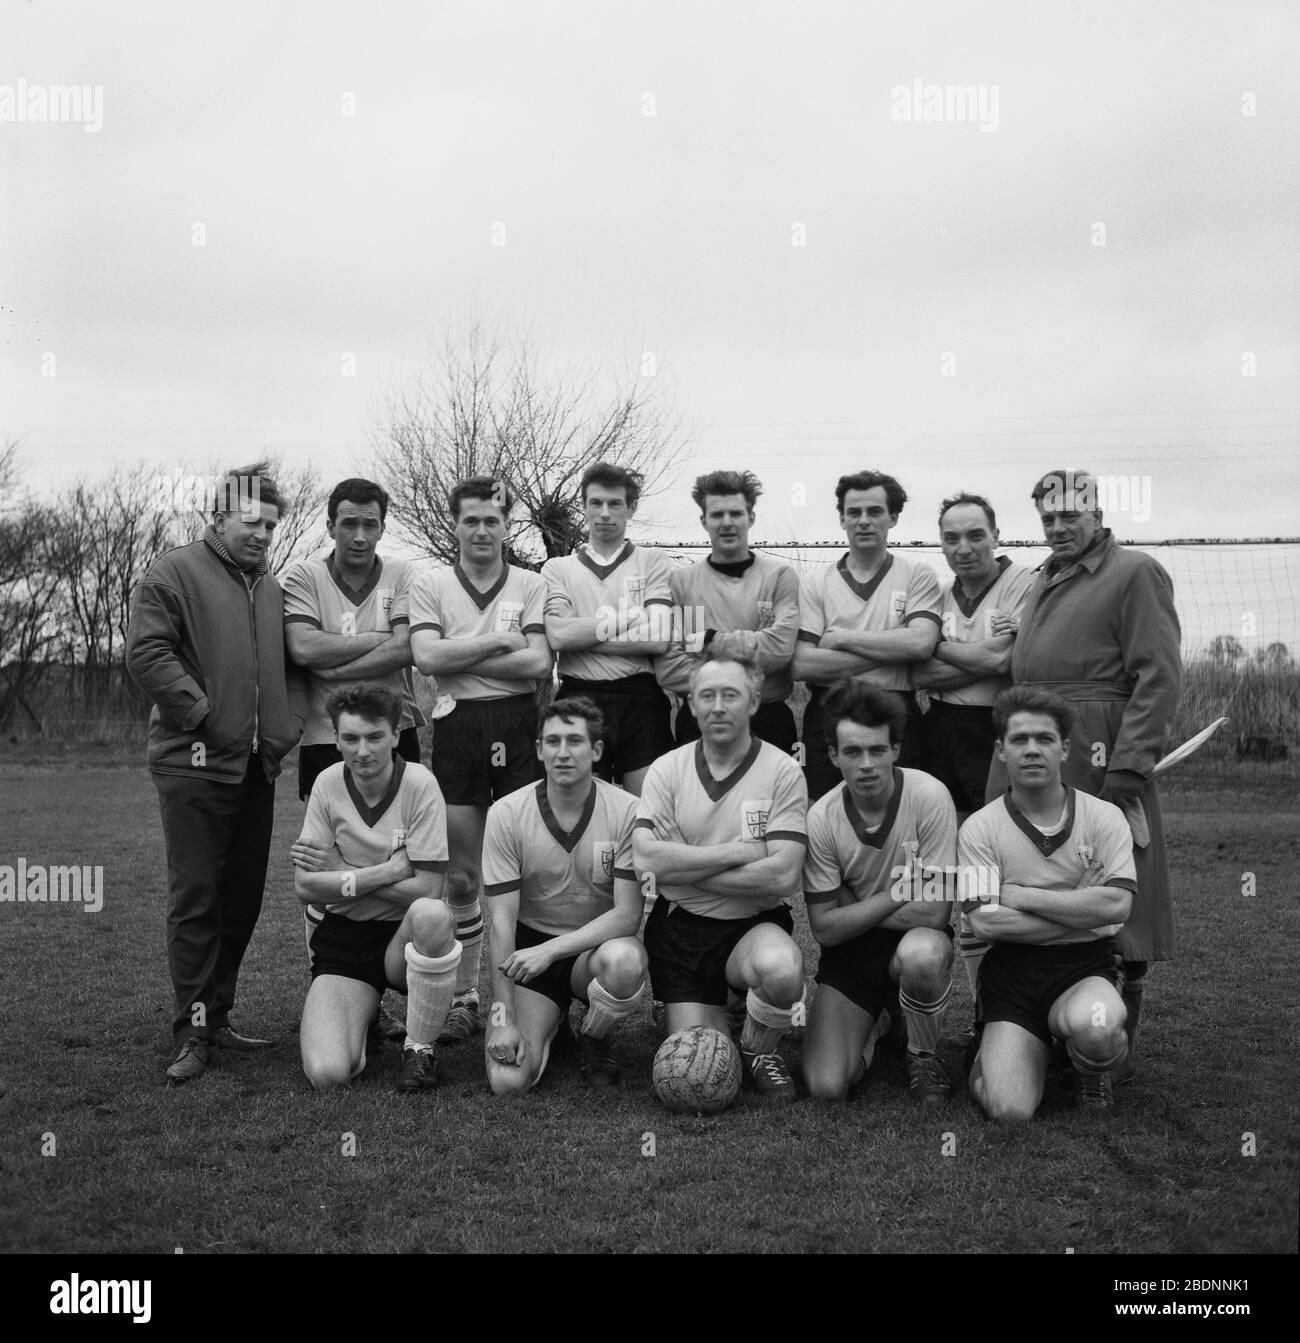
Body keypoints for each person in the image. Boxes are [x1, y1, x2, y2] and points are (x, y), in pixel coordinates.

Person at [988, 469, 1181, 1082]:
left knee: (1117, 883)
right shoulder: (1043, 579)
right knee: (1019, 874)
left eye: (1070, 515)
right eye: (1047, 519)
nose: (1058, 527)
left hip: (1100, 750)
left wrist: (1128, 763)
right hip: (1036, 738)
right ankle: (1026, 1022)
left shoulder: (1135, 572)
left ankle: (1106, 1055)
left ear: (1098, 513)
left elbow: (1158, 674)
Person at [125, 464, 304, 1085]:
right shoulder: (174, 571)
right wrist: (203, 715)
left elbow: (290, 669)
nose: (262, 534)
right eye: (250, 522)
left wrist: (286, 728)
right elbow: (147, 653)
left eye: (271, 526)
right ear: (218, 519)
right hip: (193, 764)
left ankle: (218, 1016)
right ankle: (192, 1032)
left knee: (242, 900)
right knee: (197, 899)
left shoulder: (272, 587)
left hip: (257, 767)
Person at [281, 476, 427, 1047]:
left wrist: (336, 659)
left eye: (371, 523)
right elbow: (302, 650)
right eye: (349, 523)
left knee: (408, 864)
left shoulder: (405, 576)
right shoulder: (302, 576)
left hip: (398, 730)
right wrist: (379, 643)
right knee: (324, 862)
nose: (360, 534)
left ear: (383, 526)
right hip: (325, 737)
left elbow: (408, 647)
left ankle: (407, 990)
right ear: (330, 525)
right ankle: (336, 980)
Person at [408, 477, 552, 1045]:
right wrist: (499, 642)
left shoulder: (532, 583)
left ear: (507, 525)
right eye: (471, 520)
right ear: (455, 525)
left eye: (493, 520)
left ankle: (530, 991)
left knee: (521, 872)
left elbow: (539, 662)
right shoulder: (431, 583)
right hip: (458, 727)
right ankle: (468, 994)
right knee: (464, 874)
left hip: (520, 725)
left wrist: (461, 655)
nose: (483, 530)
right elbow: (425, 657)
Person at [634, 653, 808, 1102]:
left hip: (753, 925)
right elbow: (645, 861)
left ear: (753, 702)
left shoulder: (783, 771)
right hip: (681, 929)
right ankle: (729, 1013)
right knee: (703, 1061)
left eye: (730, 695)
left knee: (783, 970)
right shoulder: (666, 769)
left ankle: (761, 1049)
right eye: (706, 696)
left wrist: (685, 866)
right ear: (690, 704)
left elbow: (782, 875)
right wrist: (736, 854)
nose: (717, 706)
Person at [962, 686, 1135, 1118]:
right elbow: (987, 924)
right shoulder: (979, 830)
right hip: (1012, 979)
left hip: (1084, 969)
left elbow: (1115, 908)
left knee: (1097, 1032)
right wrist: (1081, 906)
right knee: (1009, 1110)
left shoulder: (1103, 817)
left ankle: (1091, 1067)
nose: (1032, 750)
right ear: (1002, 751)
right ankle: (992, 1053)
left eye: (1044, 739)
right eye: (1019, 740)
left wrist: (1021, 896)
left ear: (1065, 748)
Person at [292, 685, 460, 1094]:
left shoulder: (421, 785)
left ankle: (419, 1048)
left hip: (403, 939)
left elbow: (428, 889)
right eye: (349, 738)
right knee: (329, 1074)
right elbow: (306, 886)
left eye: (374, 737)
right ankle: (363, 1016)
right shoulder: (327, 784)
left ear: (395, 735)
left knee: (433, 916)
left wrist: (343, 874)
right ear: (335, 739)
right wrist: (385, 872)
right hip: (346, 938)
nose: (362, 750)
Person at [909, 493, 1036, 1029]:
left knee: (993, 866)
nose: (963, 548)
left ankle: (1002, 1008)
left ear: (996, 534)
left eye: (975, 535)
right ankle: (934, 997)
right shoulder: (936, 594)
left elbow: (1006, 662)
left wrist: (943, 650)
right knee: (942, 870)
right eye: (951, 538)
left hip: (994, 731)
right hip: (938, 728)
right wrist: (979, 657)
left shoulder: (1024, 582)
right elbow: (917, 670)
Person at [801, 681, 957, 1105]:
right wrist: (901, 892)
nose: (866, 764)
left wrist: (852, 904)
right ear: (833, 756)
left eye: (877, 750)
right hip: (852, 950)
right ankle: (882, 1017)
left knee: (923, 954)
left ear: (896, 750)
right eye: (852, 752)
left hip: (910, 940)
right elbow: (824, 931)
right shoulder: (821, 818)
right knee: (827, 1087)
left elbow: (936, 914)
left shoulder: (929, 796)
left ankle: (922, 1054)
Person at [482, 697, 648, 1093]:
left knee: (625, 960)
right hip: (528, 957)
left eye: (575, 741)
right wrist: (504, 1018)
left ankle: (594, 1035)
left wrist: (553, 950)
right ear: (539, 749)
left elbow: (627, 916)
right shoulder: (506, 813)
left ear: (596, 750)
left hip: (592, 951)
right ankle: (550, 1016)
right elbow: (501, 923)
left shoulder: (628, 811)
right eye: (552, 741)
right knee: (508, 1082)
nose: (562, 752)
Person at [793, 470, 942, 800]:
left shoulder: (917, 574)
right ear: (842, 520)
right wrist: (892, 646)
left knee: (901, 813)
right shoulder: (816, 582)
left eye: (874, 511)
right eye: (854, 512)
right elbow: (802, 664)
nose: (863, 521)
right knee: (823, 814)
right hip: (829, 712)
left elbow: (920, 643)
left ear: (893, 517)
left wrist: (842, 637)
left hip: (897, 710)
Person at [541, 462, 674, 795]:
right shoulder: (557, 568)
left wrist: (580, 637)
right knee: (584, 811)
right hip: (578, 694)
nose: (604, 513)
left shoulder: (653, 561)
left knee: (647, 812)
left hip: (640, 698)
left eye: (615, 504)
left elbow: (658, 638)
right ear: (583, 506)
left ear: (631, 508)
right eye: (595, 503)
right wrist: (629, 619)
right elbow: (558, 637)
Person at [654, 470, 801, 753]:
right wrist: (752, 656)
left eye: (736, 514)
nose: (727, 523)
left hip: (768, 719)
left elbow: (780, 650)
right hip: (700, 720)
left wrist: (710, 641)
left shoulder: (780, 577)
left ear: (751, 518)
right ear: (704, 520)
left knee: (771, 798)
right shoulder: (681, 583)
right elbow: (670, 668)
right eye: (717, 515)